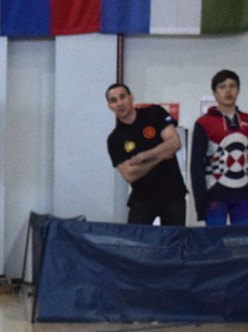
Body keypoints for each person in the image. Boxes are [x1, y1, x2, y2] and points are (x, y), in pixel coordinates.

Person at [104, 83, 188, 226]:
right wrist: (160, 156)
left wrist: (144, 156)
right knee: (135, 239)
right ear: (110, 106)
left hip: (173, 193)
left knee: (175, 239)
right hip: (142, 198)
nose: (119, 103)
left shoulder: (154, 113)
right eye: (114, 100)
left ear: (131, 98)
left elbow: (175, 143)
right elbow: (130, 175)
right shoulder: (115, 139)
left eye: (122, 97)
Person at [190, 69, 248, 227]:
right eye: (222, 87)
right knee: (214, 240)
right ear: (215, 93)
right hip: (214, 196)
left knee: (244, 239)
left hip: (244, 195)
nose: (228, 91)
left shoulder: (247, 120)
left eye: (232, 86)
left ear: (238, 90)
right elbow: (196, 165)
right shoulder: (204, 123)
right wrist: (200, 201)